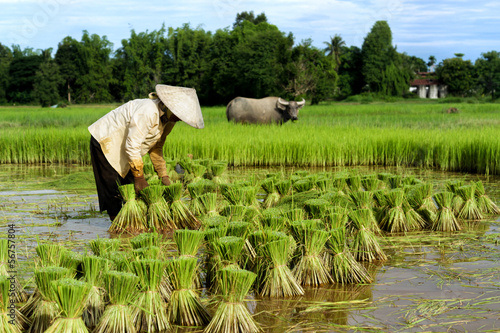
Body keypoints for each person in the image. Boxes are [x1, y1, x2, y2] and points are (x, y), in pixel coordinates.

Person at [88, 84, 204, 221]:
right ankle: (117, 228)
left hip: (126, 148)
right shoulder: (148, 111)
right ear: (170, 107)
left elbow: (156, 147)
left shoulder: (168, 121)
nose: (180, 120)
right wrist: (139, 177)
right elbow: (132, 145)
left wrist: (163, 175)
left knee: (130, 190)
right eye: (179, 115)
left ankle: (129, 221)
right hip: (105, 142)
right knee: (112, 189)